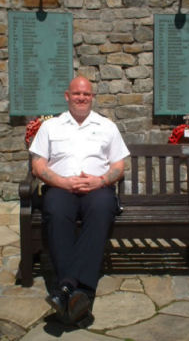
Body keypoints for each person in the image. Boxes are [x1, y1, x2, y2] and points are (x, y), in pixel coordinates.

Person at [29, 76, 130, 325]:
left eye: (86, 94)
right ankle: (81, 294)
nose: (82, 98)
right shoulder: (51, 126)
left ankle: (66, 288)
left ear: (92, 97)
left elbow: (119, 165)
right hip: (61, 188)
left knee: (103, 207)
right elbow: (37, 165)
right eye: (77, 94)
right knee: (54, 208)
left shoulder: (107, 126)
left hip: (97, 188)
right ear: (67, 96)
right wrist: (62, 182)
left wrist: (102, 180)